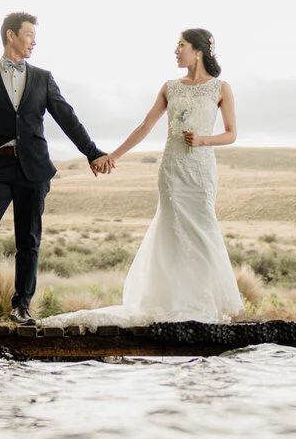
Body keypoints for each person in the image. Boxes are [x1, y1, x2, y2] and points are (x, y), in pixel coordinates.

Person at [43, 28, 243, 326]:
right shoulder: (170, 87)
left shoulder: (221, 88)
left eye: (181, 45)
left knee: (203, 230)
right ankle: (172, 302)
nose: (176, 51)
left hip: (201, 171)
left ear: (198, 50)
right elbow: (145, 126)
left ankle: (203, 302)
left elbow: (231, 134)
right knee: (173, 232)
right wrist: (113, 156)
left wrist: (203, 140)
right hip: (173, 170)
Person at [0, 12, 112, 325]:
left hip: (34, 170)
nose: (34, 41)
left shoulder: (42, 78)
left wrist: (92, 152)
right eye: (29, 34)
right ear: (11, 36)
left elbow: (67, 117)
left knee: (28, 240)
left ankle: (21, 307)